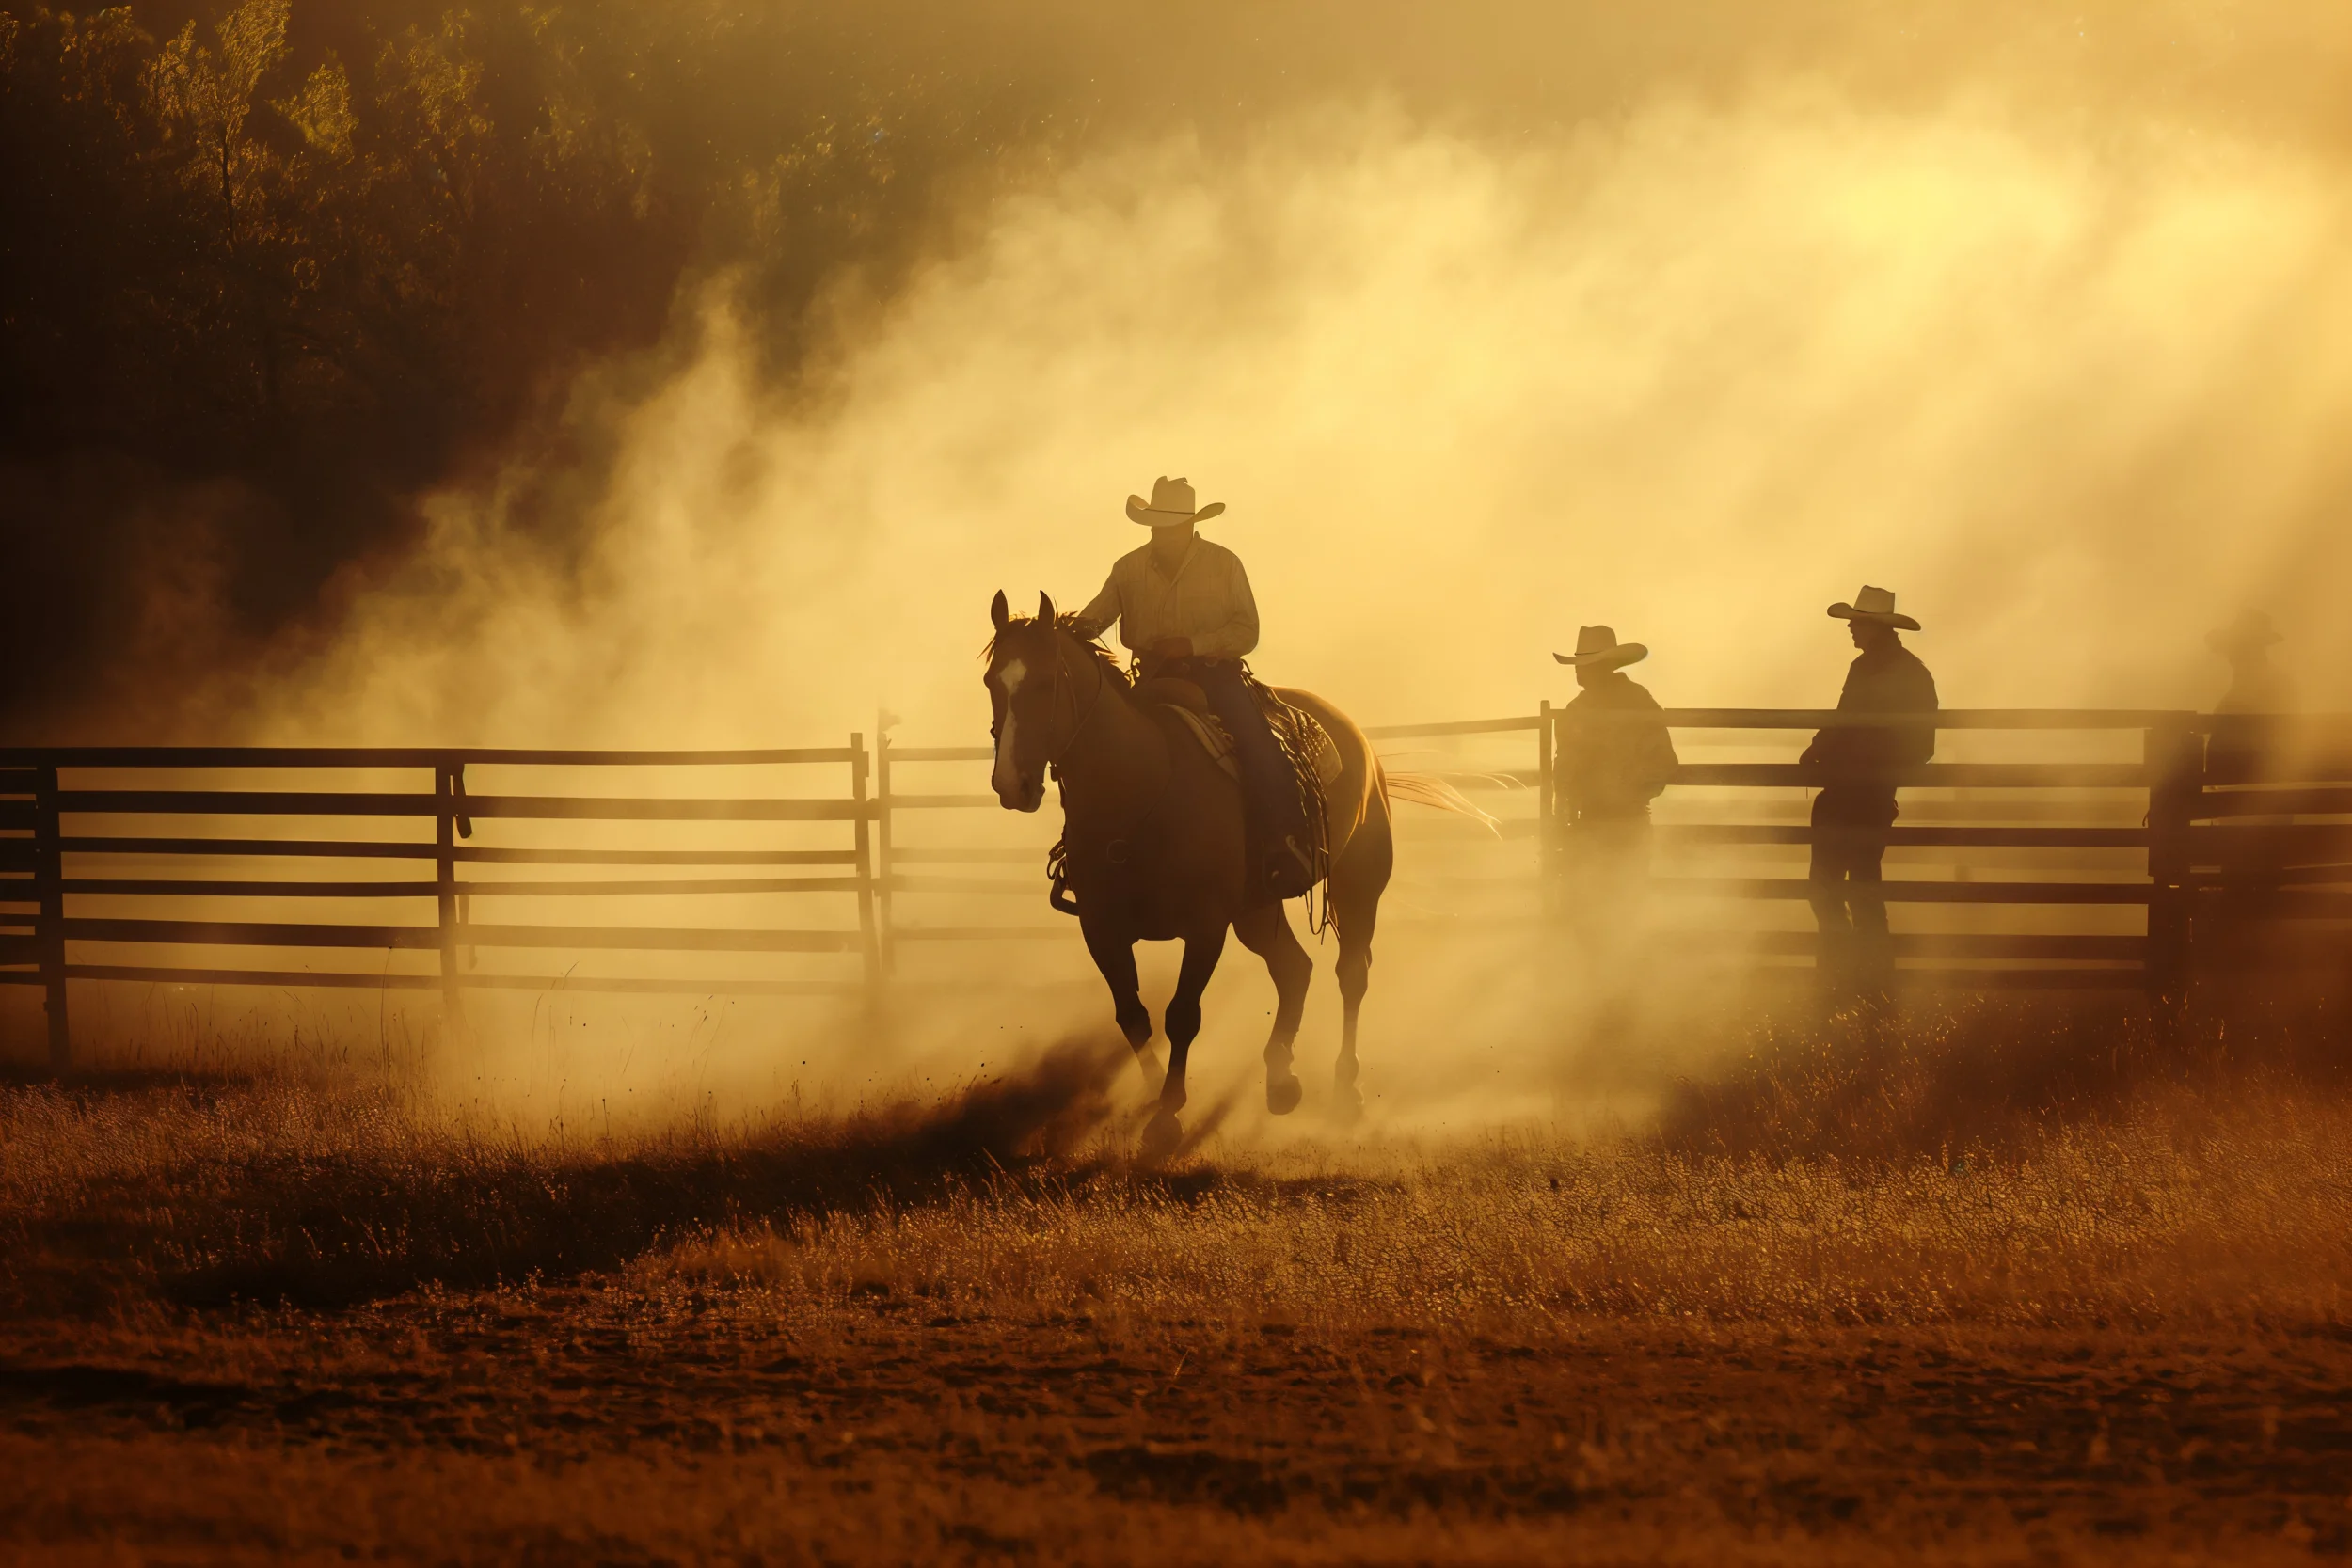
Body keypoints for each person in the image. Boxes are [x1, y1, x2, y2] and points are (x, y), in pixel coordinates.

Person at [1073, 476, 1315, 900]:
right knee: (1101, 743)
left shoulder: (1224, 564)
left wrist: (1193, 644)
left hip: (1213, 675)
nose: (1159, 533)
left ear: (1188, 526)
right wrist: (1062, 633)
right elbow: (1096, 619)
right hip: (1151, 677)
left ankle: (1286, 843)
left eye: (1167, 525)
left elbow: (1246, 629)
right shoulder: (1127, 569)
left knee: (1257, 742)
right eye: (1154, 525)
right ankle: (1087, 849)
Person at [1802, 585, 1938, 995]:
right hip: (1859, 792)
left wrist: (1842, 752)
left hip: (1863, 792)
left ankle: (1851, 978)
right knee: (1843, 886)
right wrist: (1823, 744)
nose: (1850, 629)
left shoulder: (1903, 674)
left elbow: (1918, 745)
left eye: (1856, 623)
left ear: (1873, 627)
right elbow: (1848, 719)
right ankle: (1859, 978)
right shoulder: (1885, 670)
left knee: (1845, 887)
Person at [1551, 626, 1677, 944]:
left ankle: (1607, 981)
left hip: (1607, 821)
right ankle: (1613, 980)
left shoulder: (1582, 710)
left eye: (1584, 663)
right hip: (1610, 821)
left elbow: (1662, 762)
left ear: (1601, 666)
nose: (1578, 671)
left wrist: (1619, 792)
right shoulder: (1631, 702)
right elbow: (1663, 761)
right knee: (1613, 905)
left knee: (1604, 905)